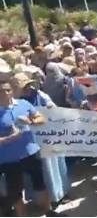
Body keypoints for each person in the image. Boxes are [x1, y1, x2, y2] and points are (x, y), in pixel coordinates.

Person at [0, 81, 60, 217]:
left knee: (39, 182)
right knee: (15, 190)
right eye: (1, 91)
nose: (6, 93)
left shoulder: (23, 104)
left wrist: (31, 121)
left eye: (8, 90)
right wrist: (10, 138)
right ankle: (22, 215)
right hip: (8, 159)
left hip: (31, 152)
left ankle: (48, 211)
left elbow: (42, 118)